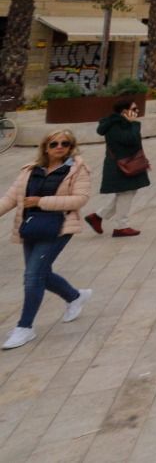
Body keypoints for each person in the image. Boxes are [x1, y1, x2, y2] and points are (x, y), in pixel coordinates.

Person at [0, 129, 92, 350]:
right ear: (45, 147)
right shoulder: (30, 170)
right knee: (41, 272)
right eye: (54, 144)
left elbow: (80, 199)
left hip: (58, 227)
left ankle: (25, 327)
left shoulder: (76, 170)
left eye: (65, 144)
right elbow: (11, 197)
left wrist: (41, 201)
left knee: (32, 275)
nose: (59, 147)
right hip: (31, 227)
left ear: (71, 147)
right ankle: (75, 296)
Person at [85, 97, 149, 237]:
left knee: (127, 193)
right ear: (124, 111)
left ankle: (98, 216)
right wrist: (133, 124)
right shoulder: (115, 125)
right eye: (134, 109)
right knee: (126, 193)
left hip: (128, 163)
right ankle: (121, 226)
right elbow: (130, 140)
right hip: (120, 166)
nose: (137, 111)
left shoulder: (122, 123)